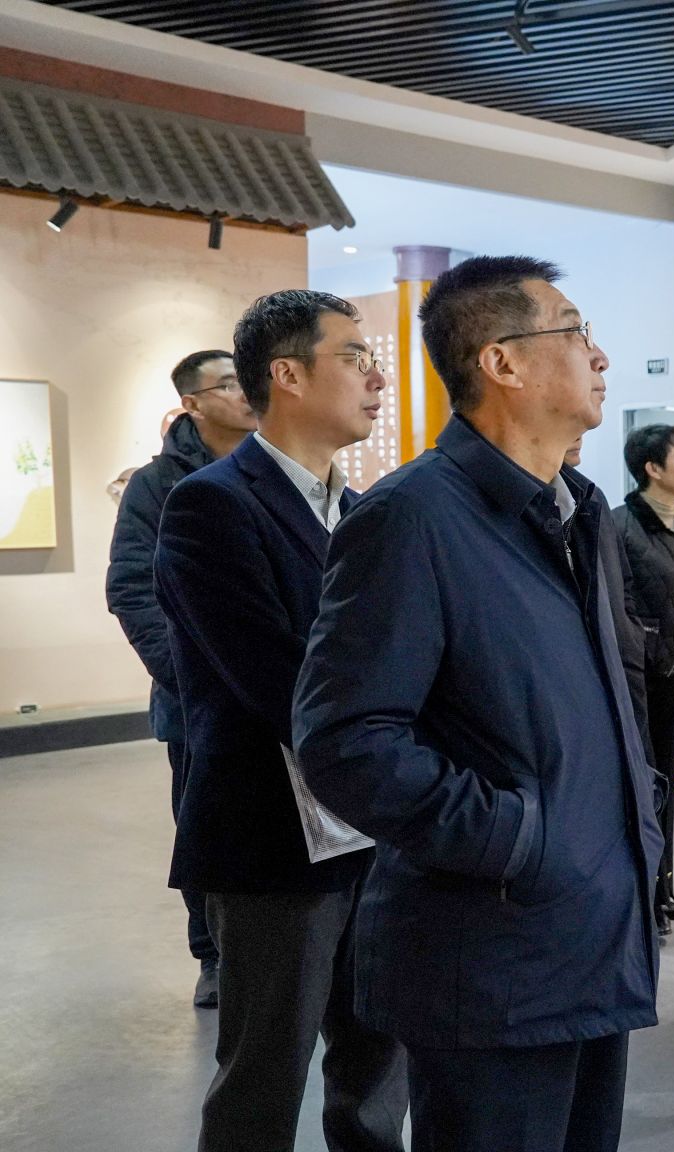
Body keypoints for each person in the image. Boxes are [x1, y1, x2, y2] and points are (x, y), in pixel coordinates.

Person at [294, 256, 663, 1152]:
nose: (600, 356)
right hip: (493, 952)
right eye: (575, 332)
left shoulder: (580, 512)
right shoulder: (412, 517)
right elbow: (344, 738)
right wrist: (514, 839)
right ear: (502, 362)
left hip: (594, 929)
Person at [154, 291, 405, 1151]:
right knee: (264, 1076)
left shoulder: (362, 510)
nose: (376, 377)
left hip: (371, 828)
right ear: (288, 375)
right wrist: (396, 731)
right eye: (355, 356)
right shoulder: (212, 505)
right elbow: (277, 678)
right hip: (273, 841)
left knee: (378, 1068)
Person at [105, 347, 256, 1009]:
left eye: (246, 379)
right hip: (195, 702)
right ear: (192, 403)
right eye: (229, 384)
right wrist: (187, 676)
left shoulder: (276, 465)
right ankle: (213, 955)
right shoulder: (157, 485)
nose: (245, 392)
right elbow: (131, 587)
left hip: (278, 694)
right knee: (204, 827)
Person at [616, 423, 674, 932]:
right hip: (636, 678)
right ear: (652, 468)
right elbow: (620, 607)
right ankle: (640, 891)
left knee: (666, 782)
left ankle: (663, 885)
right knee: (638, 784)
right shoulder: (620, 526)